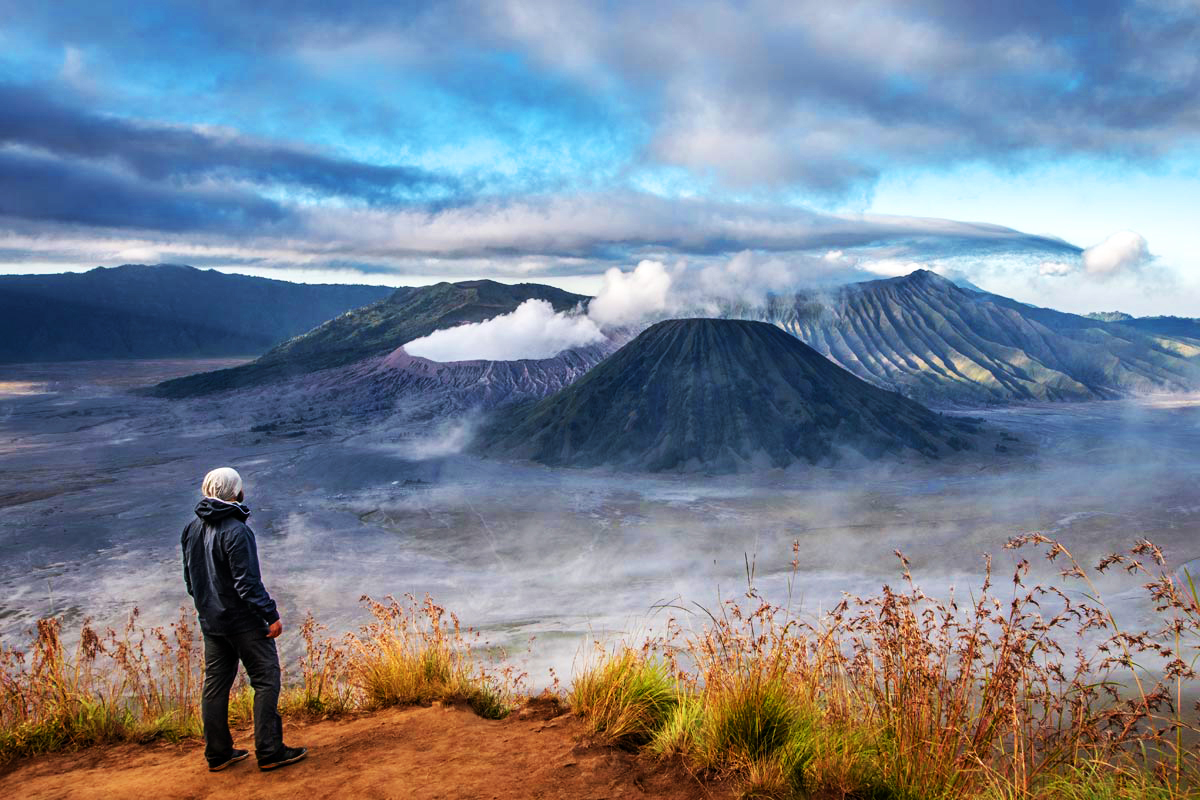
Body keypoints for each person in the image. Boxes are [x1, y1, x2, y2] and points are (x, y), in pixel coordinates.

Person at [181, 466, 307, 772]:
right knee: (266, 680)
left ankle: (218, 754)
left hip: (211, 622)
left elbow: (190, 579)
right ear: (236, 492)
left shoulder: (191, 528)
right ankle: (270, 750)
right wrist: (271, 614)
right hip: (243, 622)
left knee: (215, 686)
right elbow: (247, 583)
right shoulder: (237, 530)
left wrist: (207, 608)